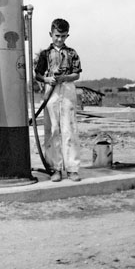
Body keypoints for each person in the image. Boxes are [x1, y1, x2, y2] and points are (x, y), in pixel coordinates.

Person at [35, 18, 82, 182]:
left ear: (67, 35)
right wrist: (47, 80)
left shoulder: (72, 53)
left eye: (63, 36)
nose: (59, 39)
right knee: (53, 129)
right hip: (51, 90)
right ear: (51, 34)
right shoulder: (45, 54)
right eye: (57, 36)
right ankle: (55, 168)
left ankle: (72, 168)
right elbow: (38, 75)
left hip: (67, 88)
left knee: (69, 129)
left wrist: (65, 78)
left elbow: (77, 74)